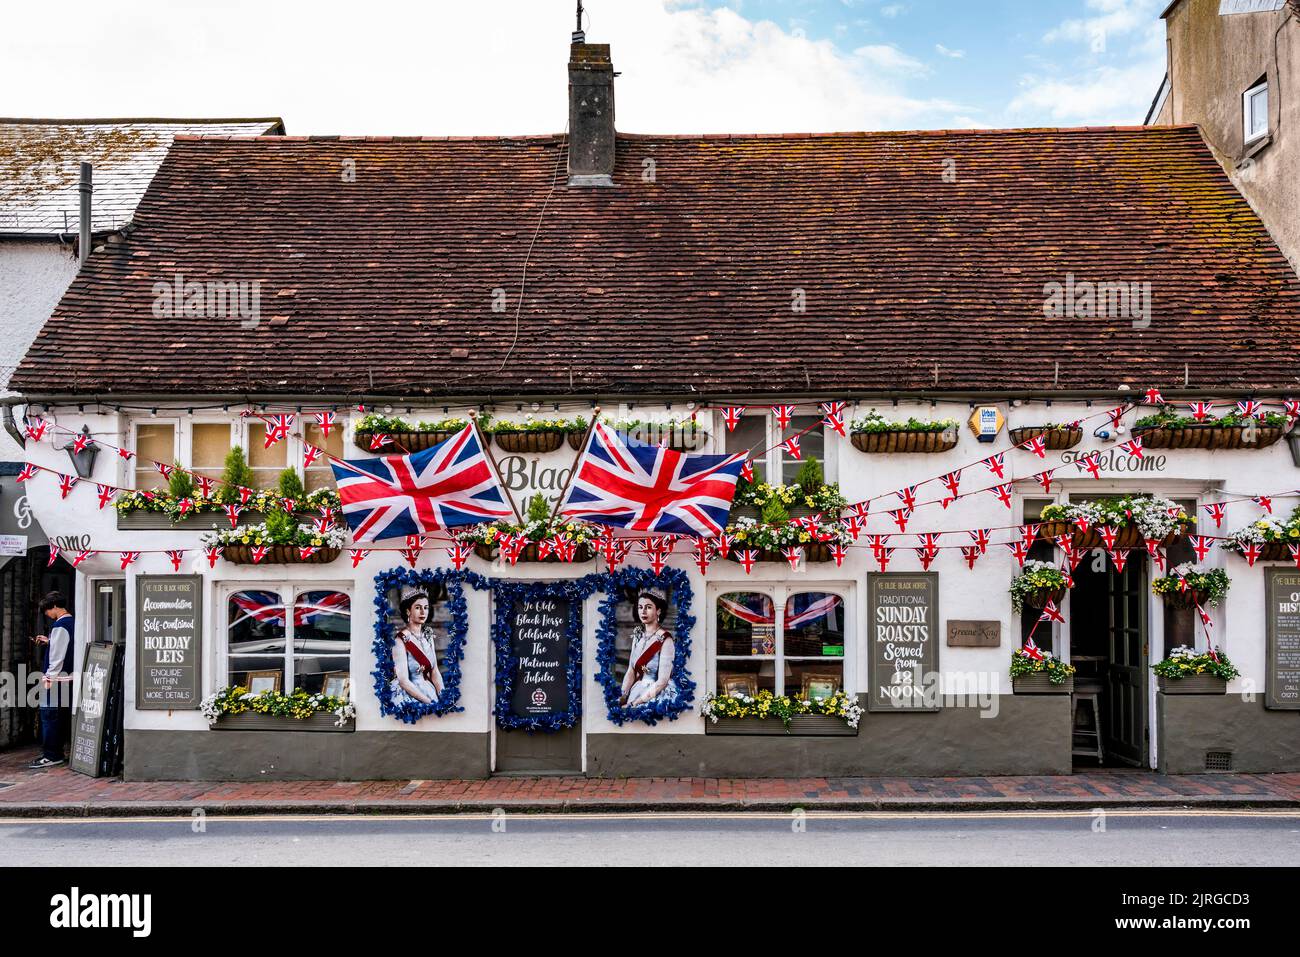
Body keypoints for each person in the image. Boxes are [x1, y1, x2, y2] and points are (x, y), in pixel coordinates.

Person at [30, 591, 74, 770]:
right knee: (61, 717)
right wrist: (50, 642)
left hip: (57, 680)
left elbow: (57, 657)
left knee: (49, 717)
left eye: (47, 610)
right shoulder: (74, 623)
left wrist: (48, 677)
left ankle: (51, 755)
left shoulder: (61, 626)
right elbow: (67, 647)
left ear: (55, 606)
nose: (47, 614)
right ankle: (58, 751)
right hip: (69, 678)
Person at [620, 587, 678, 708]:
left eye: (649, 607)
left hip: (654, 695)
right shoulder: (637, 636)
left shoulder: (666, 640)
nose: (643, 611)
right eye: (640, 607)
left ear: (658, 611)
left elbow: (662, 682)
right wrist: (623, 696)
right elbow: (631, 670)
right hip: (636, 691)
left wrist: (634, 703)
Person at [389, 587, 443, 706]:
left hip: (429, 690)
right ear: (408, 611)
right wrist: (429, 703)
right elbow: (403, 681)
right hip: (410, 695)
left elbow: (435, 671)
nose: (423, 612)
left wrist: (443, 697)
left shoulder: (428, 635)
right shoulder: (399, 640)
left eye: (426, 607)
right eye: (418, 607)